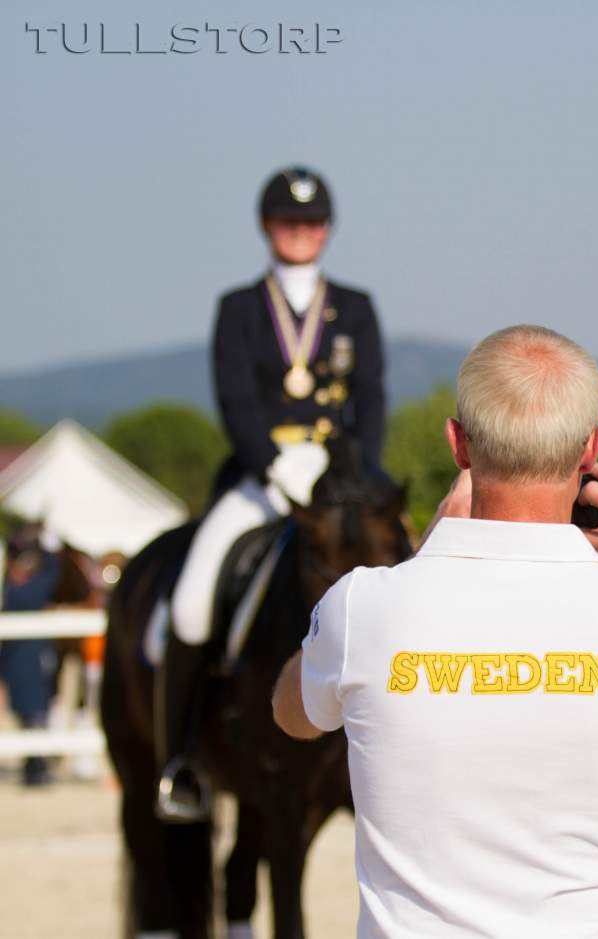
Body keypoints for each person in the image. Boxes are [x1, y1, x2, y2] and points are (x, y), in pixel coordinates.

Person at [272, 324, 598, 937]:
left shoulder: (361, 606)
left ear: (458, 444)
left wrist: (425, 558)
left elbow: (291, 714)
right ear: (591, 448)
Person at [156, 166, 387, 822]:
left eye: (311, 222)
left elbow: (370, 399)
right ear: (267, 227)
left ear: (328, 229)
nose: (300, 232)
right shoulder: (239, 308)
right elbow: (235, 400)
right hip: (264, 479)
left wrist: (357, 472)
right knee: (192, 602)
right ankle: (181, 760)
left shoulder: (355, 307)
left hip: (336, 481)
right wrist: (272, 467)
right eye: (289, 222)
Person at [0, 523, 62, 786]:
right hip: (16, 661)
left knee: (36, 712)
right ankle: (33, 765)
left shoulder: (29, 588)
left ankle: (36, 766)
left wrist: (45, 548)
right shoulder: (14, 589)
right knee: (26, 713)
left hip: (33, 660)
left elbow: (51, 572)